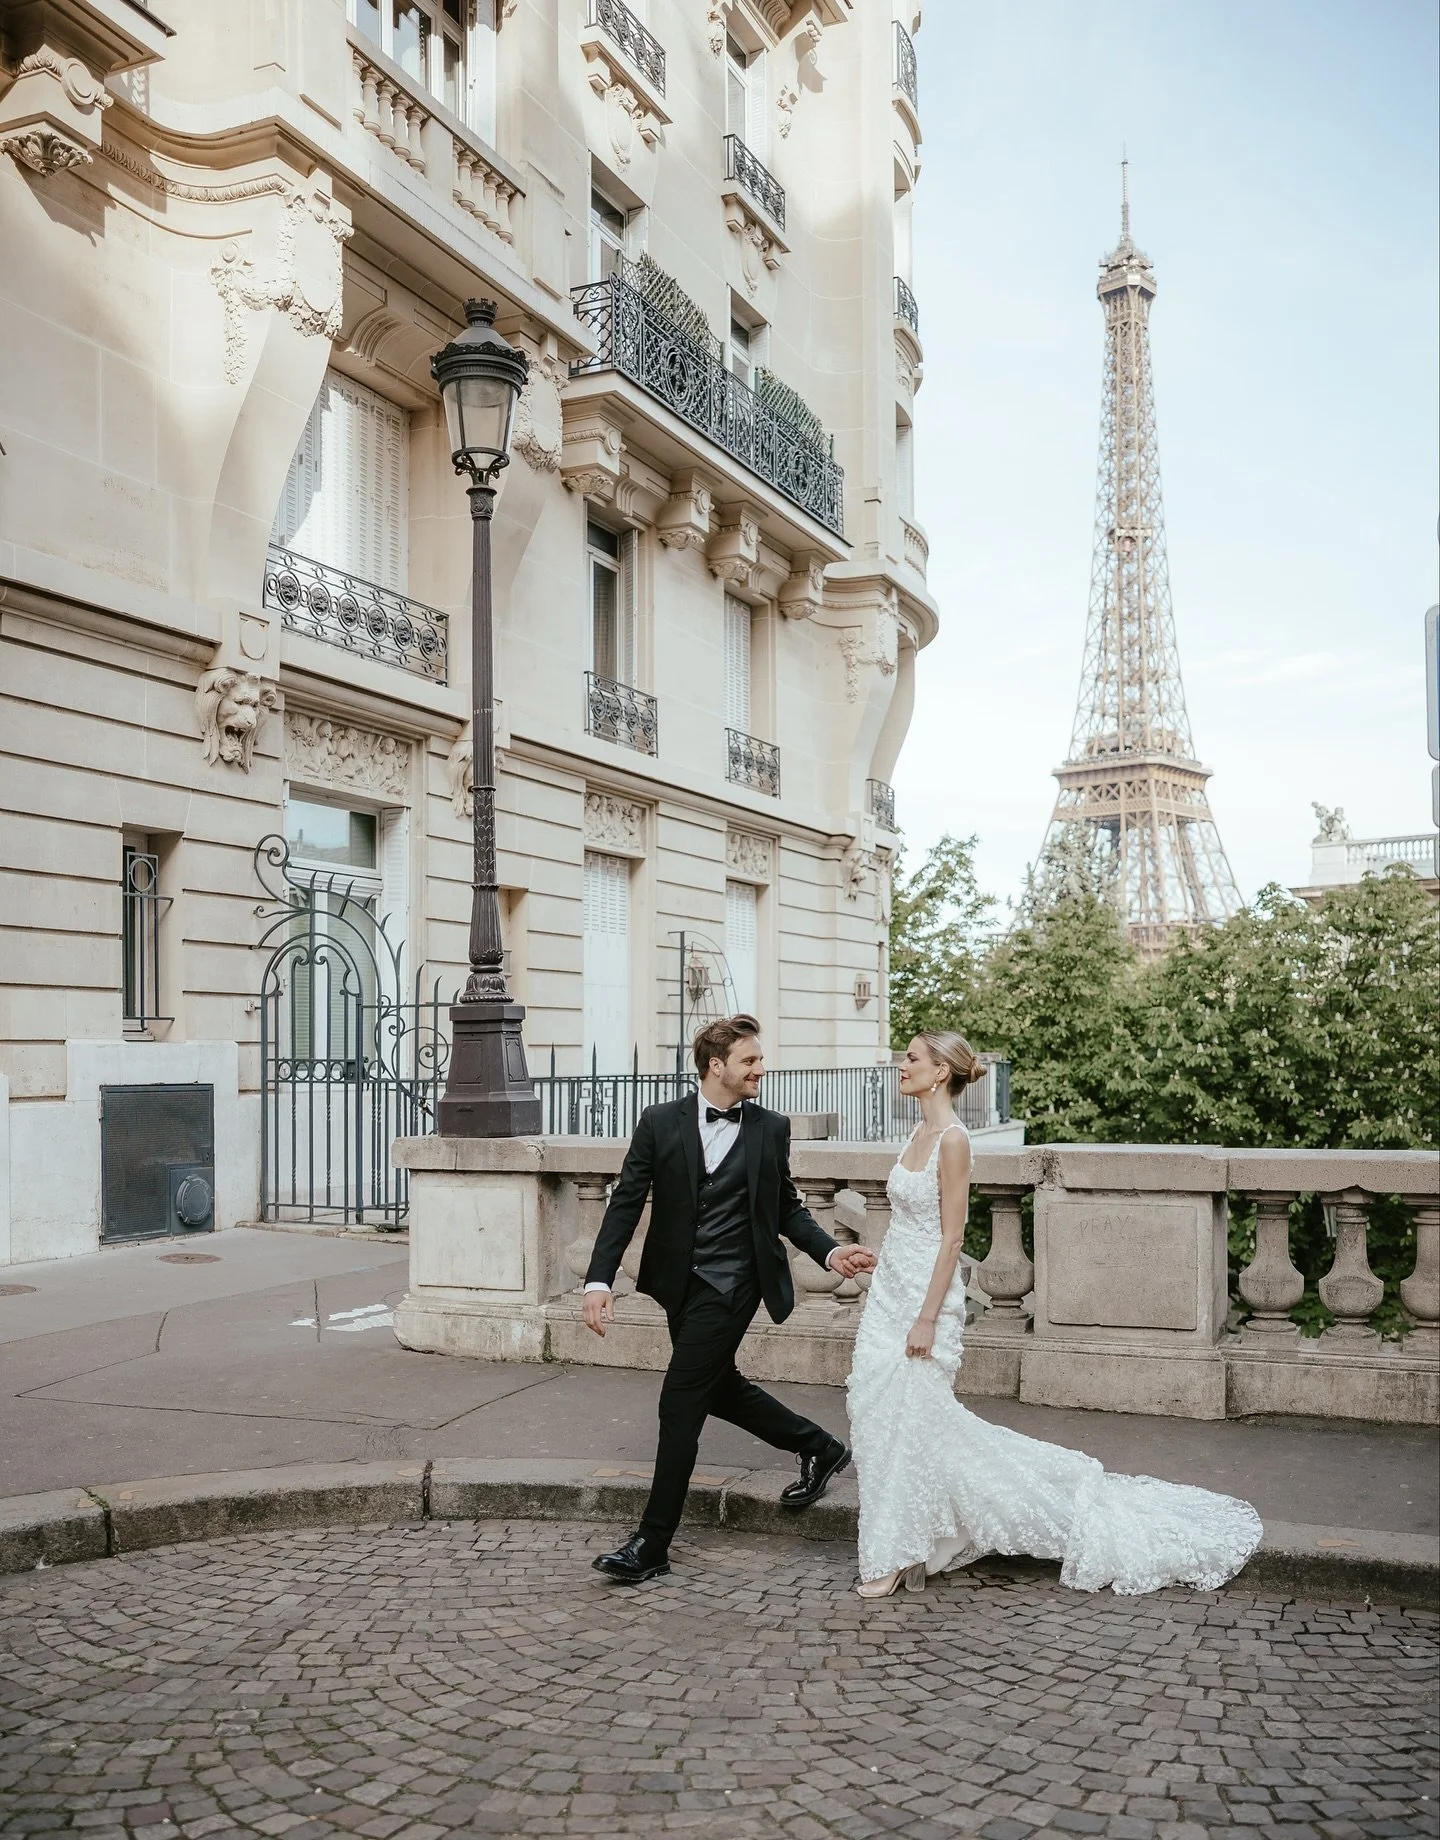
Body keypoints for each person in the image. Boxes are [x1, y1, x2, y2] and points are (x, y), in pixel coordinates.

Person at [846, 1030, 1264, 1598]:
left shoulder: (952, 1140)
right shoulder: (914, 1133)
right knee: (880, 1418)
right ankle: (910, 1539)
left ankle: (900, 1550)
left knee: (917, 1421)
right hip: (891, 1292)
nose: (902, 1065)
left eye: (912, 1058)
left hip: (924, 1300)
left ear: (940, 1072)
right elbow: (907, 1224)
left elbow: (950, 1239)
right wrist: (881, 1265)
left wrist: (924, 1318)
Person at [583, 1014, 878, 1583]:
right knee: (717, 1387)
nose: (760, 1069)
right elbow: (625, 1205)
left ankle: (652, 1542)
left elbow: (786, 1206)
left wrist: (828, 1253)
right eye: (750, 1061)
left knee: (680, 1402)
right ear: (716, 1066)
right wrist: (598, 1281)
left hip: (736, 1281)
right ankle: (820, 1446)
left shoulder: (770, 1127)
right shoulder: (659, 1122)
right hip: (678, 1283)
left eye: (759, 1060)